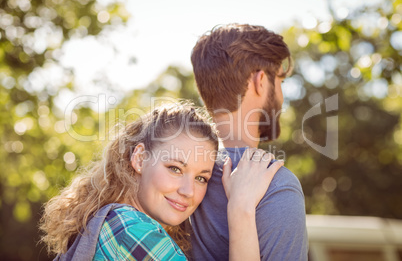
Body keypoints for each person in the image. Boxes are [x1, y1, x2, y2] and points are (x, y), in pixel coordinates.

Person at [39, 103, 284, 260]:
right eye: (175, 168)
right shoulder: (129, 230)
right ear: (139, 159)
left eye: (201, 178)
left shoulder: (110, 222)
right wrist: (241, 208)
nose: (189, 191)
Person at [190, 23, 309, 260]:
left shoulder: (177, 177)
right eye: (281, 83)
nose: (282, 97)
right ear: (260, 81)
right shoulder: (276, 185)